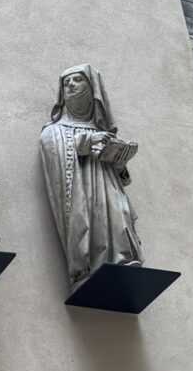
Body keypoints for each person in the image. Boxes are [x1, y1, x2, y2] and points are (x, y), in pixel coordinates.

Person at [36, 64, 143, 288]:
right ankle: (90, 269)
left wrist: (119, 162)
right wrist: (84, 142)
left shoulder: (101, 131)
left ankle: (122, 261)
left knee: (120, 214)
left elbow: (121, 178)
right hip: (81, 190)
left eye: (77, 80)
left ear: (92, 88)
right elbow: (51, 146)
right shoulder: (56, 129)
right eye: (66, 83)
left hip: (107, 185)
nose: (70, 85)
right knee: (92, 223)